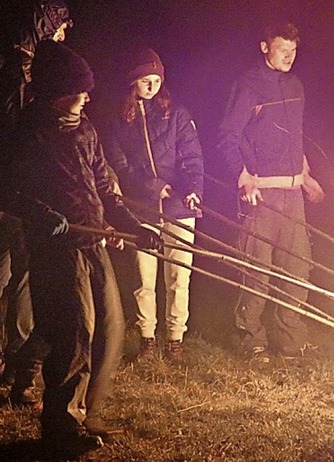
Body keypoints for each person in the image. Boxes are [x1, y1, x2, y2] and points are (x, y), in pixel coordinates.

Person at [3, 39, 162, 458]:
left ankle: (86, 414)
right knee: (75, 332)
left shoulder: (84, 128)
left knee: (110, 327)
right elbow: (10, 190)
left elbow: (106, 187)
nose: (89, 95)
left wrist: (132, 224)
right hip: (58, 247)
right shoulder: (29, 133)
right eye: (81, 88)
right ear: (58, 91)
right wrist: (38, 214)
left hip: (92, 238)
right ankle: (61, 425)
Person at [217, 21, 325, 362]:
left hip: (292, 193)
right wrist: (242, 176)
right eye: (282, 50)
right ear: (265, 47)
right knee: (257, 271)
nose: (289, 57)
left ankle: (290, 343)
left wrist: (306, 175)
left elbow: (295, 136)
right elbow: (227, 137)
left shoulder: (296, 85)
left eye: (293, 51)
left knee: (297, 270)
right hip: (260, 194)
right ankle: (251, 340)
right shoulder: (248, 86)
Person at [105, 48, 204, 366]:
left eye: (156, 80)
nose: (151, 86)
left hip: (178, 207)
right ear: (132, 83)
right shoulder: (120, 121)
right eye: (145, 80)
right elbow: (120, 166)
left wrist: (193, 190)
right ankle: (147, 339)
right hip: (141, 209)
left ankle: (175, 340)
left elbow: (192, 159)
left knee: (179, 277)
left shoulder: (176, 114)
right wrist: (151, 187)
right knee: (143, 278)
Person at [0, 0, 73, 390]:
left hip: (18, 188)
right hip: (19, 190)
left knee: (14, 269)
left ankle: (16, 365)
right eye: (59, 30)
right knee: (23, 271)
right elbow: (21, 133)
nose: (64, 37)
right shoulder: (24, 76)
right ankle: (18, 367)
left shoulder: (22, 66)